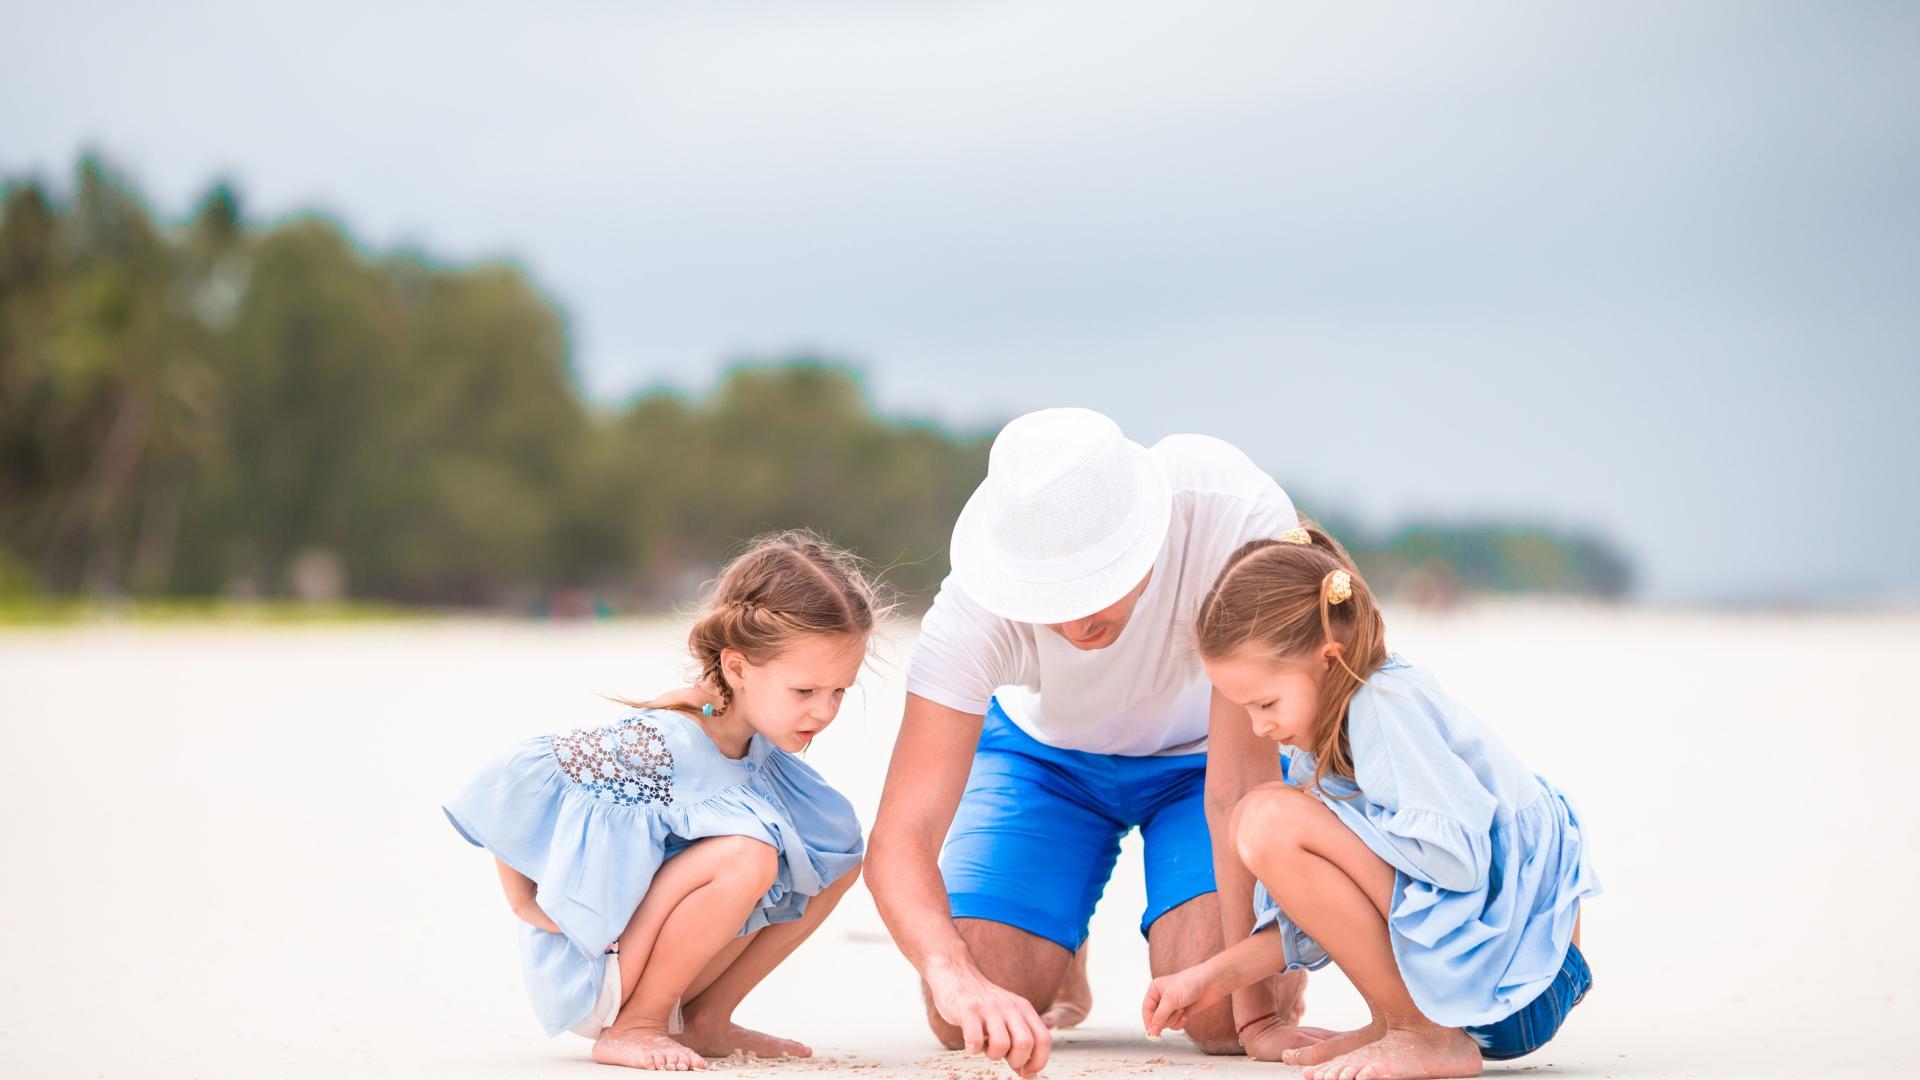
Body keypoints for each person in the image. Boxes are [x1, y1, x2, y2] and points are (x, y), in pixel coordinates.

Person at [867, 408, 1325, 1078]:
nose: (1078, 617)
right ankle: (1061, 946)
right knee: (963, 1009)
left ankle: (1080, 925)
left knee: (1220, 1017)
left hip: (1203, 760)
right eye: (1053, 593)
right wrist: (950, 973)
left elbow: (1237, 789)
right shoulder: (972, 609)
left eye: (1099, 580)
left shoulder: (1230, 514)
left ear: (1150, 532)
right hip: (1043, 757)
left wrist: (1255, 1010)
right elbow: (899, 836)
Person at [1143, 525, 1602, 1079]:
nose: (1259, 728)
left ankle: (1423, 1034)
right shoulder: (1332, 731)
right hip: (1492, 978)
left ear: (1329, 660)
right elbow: (1327, 910)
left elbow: (1457, 864)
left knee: (1267, 818)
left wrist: (1329, 838)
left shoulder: (1383, 708)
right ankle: (1400, 1024)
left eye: (1266, 703)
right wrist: (1209, 979)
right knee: (1265, 815)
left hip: (1523, 981)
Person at [442, 531, 879, 1071]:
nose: (825, 712)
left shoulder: (755, 743)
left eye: (840, 691)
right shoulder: (665, 740)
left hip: (651, 960)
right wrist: (522, 899)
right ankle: (635, 1027)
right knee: (748, 854)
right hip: (599, 969)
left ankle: (706, 1019)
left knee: (836, 851)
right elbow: (513, 778)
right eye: (805, 692)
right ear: (738, 667)